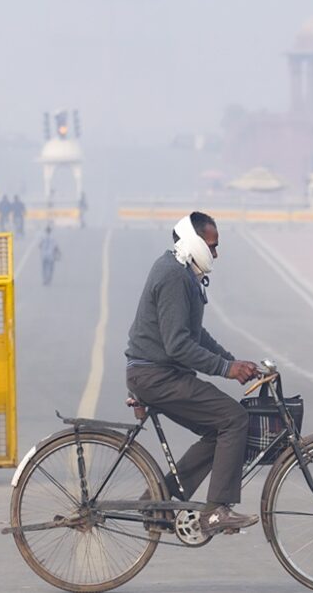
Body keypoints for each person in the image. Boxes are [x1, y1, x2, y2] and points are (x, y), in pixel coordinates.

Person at [124, 211, 260, 536]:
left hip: (158, 374)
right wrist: (227, 369)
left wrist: (233, 361)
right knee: (234, 419)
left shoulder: (185, 273)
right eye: (212, 246)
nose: (216, 253)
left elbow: (196, 334)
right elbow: (178, 346)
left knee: (219, 430)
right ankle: (216, 512)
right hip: (157, 375)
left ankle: (156, 502)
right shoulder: (173, 275)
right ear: (193, 242)